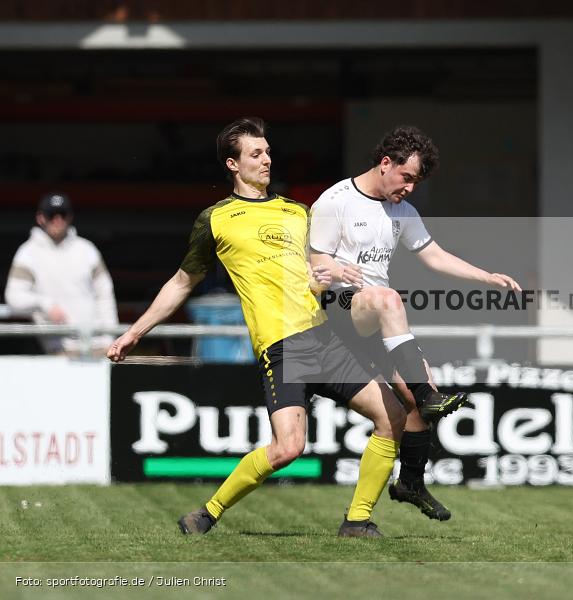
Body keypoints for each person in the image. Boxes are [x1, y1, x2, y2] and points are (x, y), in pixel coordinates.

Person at [107, 117, 466, 538]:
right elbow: (182, 282)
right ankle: (207, 512)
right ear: (232, 164)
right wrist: (134, 333)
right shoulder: (216, 219)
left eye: (268, 152)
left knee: (394, 416)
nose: (266, 159)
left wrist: (331, 273)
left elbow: (319, 269)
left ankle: (357, 521)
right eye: (255, 153)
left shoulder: (298, 212)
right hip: (282, 347)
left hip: (325, 337)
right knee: (288, 448)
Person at [310, 125, 520, 521]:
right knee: (390, 300)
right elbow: (314, 262)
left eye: (416, 183)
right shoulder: (335, 201)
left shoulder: (403, 212)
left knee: (419, 404)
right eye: (406, 177)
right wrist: (337, 269)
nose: (409, 188)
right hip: (337, 308)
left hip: (374, 315)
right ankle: (425, 395)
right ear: (385, 163)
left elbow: (435, 256)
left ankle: (410, 483)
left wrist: (487, 277)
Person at [5, 192, 118, 357]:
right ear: (40, 218)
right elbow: (14, 297)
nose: (58, 220)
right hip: (59, 350)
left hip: (98, 347)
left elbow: (105, 296)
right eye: (51, 215)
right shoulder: (27, 253)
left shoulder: (88, 250)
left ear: (70, 217)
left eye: (63, 214)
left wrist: (110, 339)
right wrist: (46, 305)